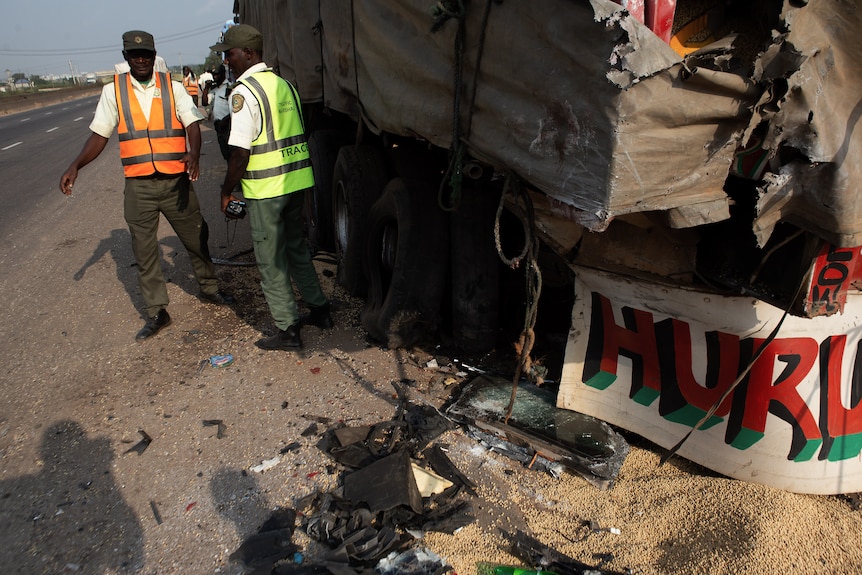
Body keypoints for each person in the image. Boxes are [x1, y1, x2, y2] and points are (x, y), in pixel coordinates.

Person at [59, 30, 234, 341]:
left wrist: (193, 153)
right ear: (126, 57)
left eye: (147, 55)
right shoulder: (113, 92)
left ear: (154, 56)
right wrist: (75, 166)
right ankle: (157, 311)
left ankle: (209, 288)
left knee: (196, 236)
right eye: (134, 55)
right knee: (144, 250)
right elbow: (100, 134)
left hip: (174, 181)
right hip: (139, 186)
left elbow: (192, 123)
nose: (141, 59)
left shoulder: (173, 87)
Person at [210, 24, 332, 351]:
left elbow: (240, 153)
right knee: (295, 249)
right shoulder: (285, 85)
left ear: (248, 53)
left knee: (271, 261)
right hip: (296, 184)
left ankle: (288, 330)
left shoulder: (243, 93)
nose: (226, 60)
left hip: (267, 191)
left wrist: (226, 191)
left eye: (229, 53)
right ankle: (320, 310)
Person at [207, 64, 232, 160]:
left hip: (227, 124)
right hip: (218, 125)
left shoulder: (228, 88)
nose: (215, 77)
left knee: (231, 152)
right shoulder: (214, 89)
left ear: (223, 74)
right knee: (225, 152)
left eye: (217, 74)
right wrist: (206, 88)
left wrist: (225, 120)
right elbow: (205, 102)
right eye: (213, 75)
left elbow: (234, 108)